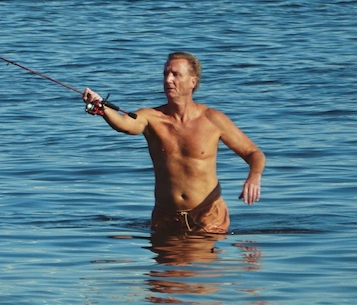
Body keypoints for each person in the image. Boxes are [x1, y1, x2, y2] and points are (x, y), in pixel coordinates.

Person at [81, 52, 264, 234]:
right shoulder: (150, 117)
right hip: (165, 217)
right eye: (166, 74)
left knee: (203, 263)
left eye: (175, 74)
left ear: (193, 81)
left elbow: (254, 153)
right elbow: (125, 125)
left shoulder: (212, 119)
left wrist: (254, 176)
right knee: (166, 263)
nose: (168, 80)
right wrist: (102, 108)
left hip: (208, 216)